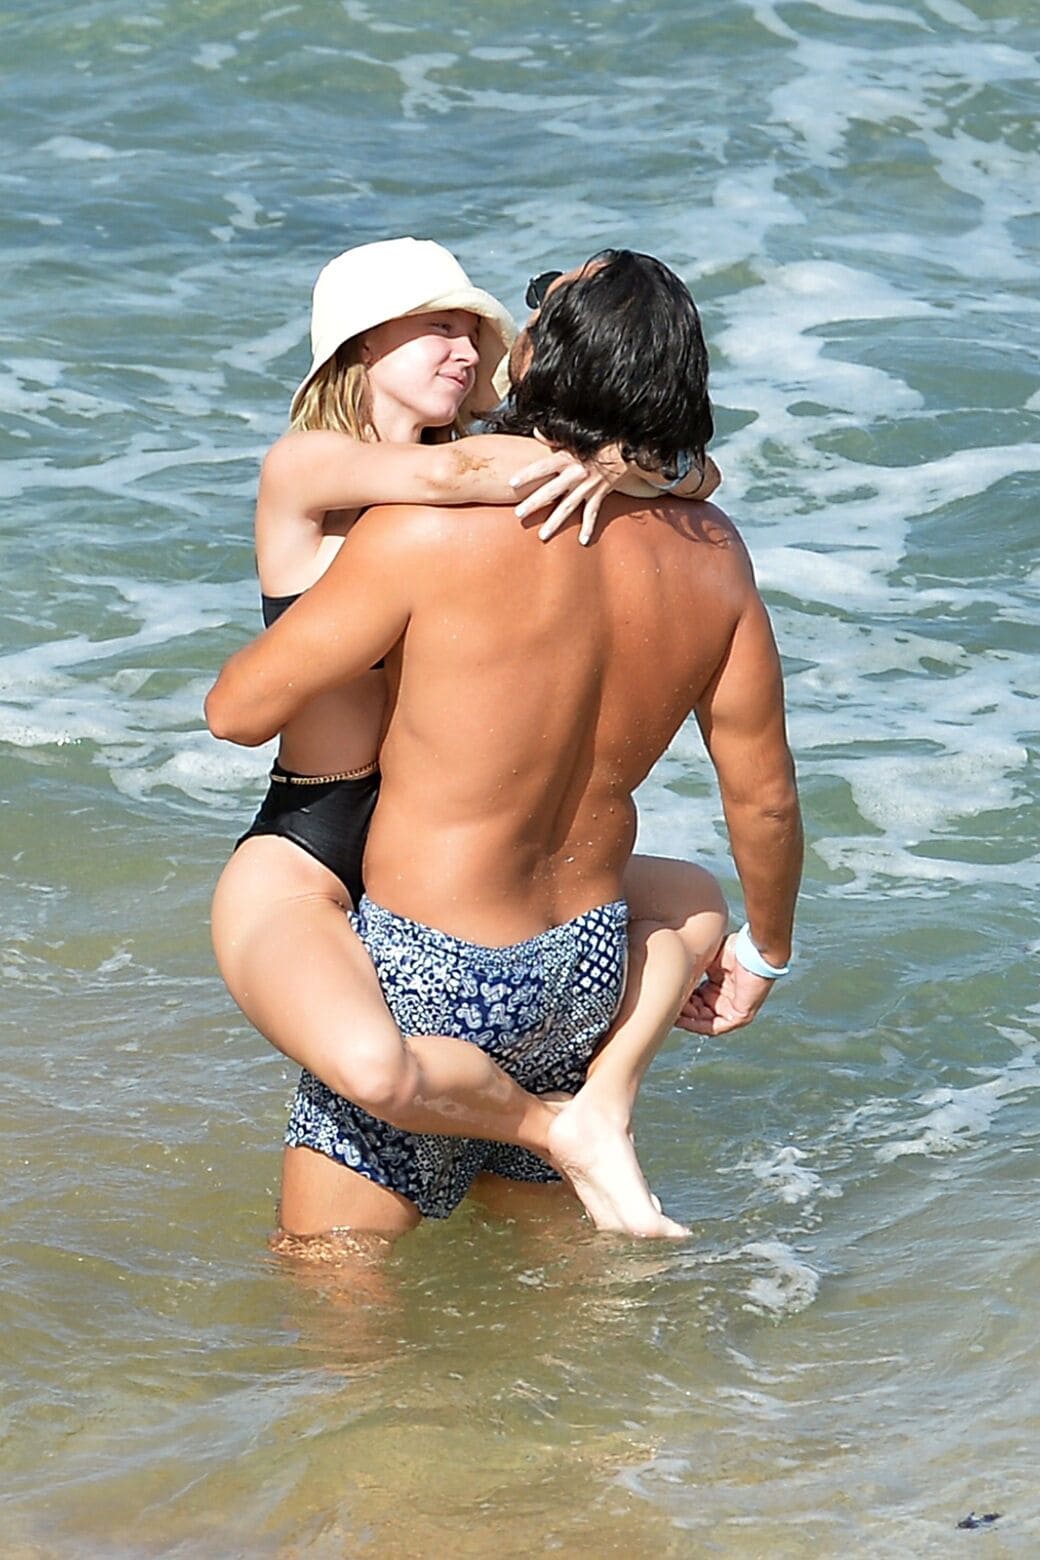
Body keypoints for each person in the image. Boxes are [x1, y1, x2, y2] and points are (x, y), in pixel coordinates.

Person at [206, 248, 803, 1247]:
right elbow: (767, 796)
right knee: (557, 1290)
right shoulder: (713, 552)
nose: (473, 342)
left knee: (334, 1275)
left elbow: (235, 708)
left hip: (431, 958)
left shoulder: (424, 532)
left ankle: (566, 1131)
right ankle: (595, 1131)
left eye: (508, 316)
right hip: (579, 964)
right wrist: (767, 952)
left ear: (538, 354)